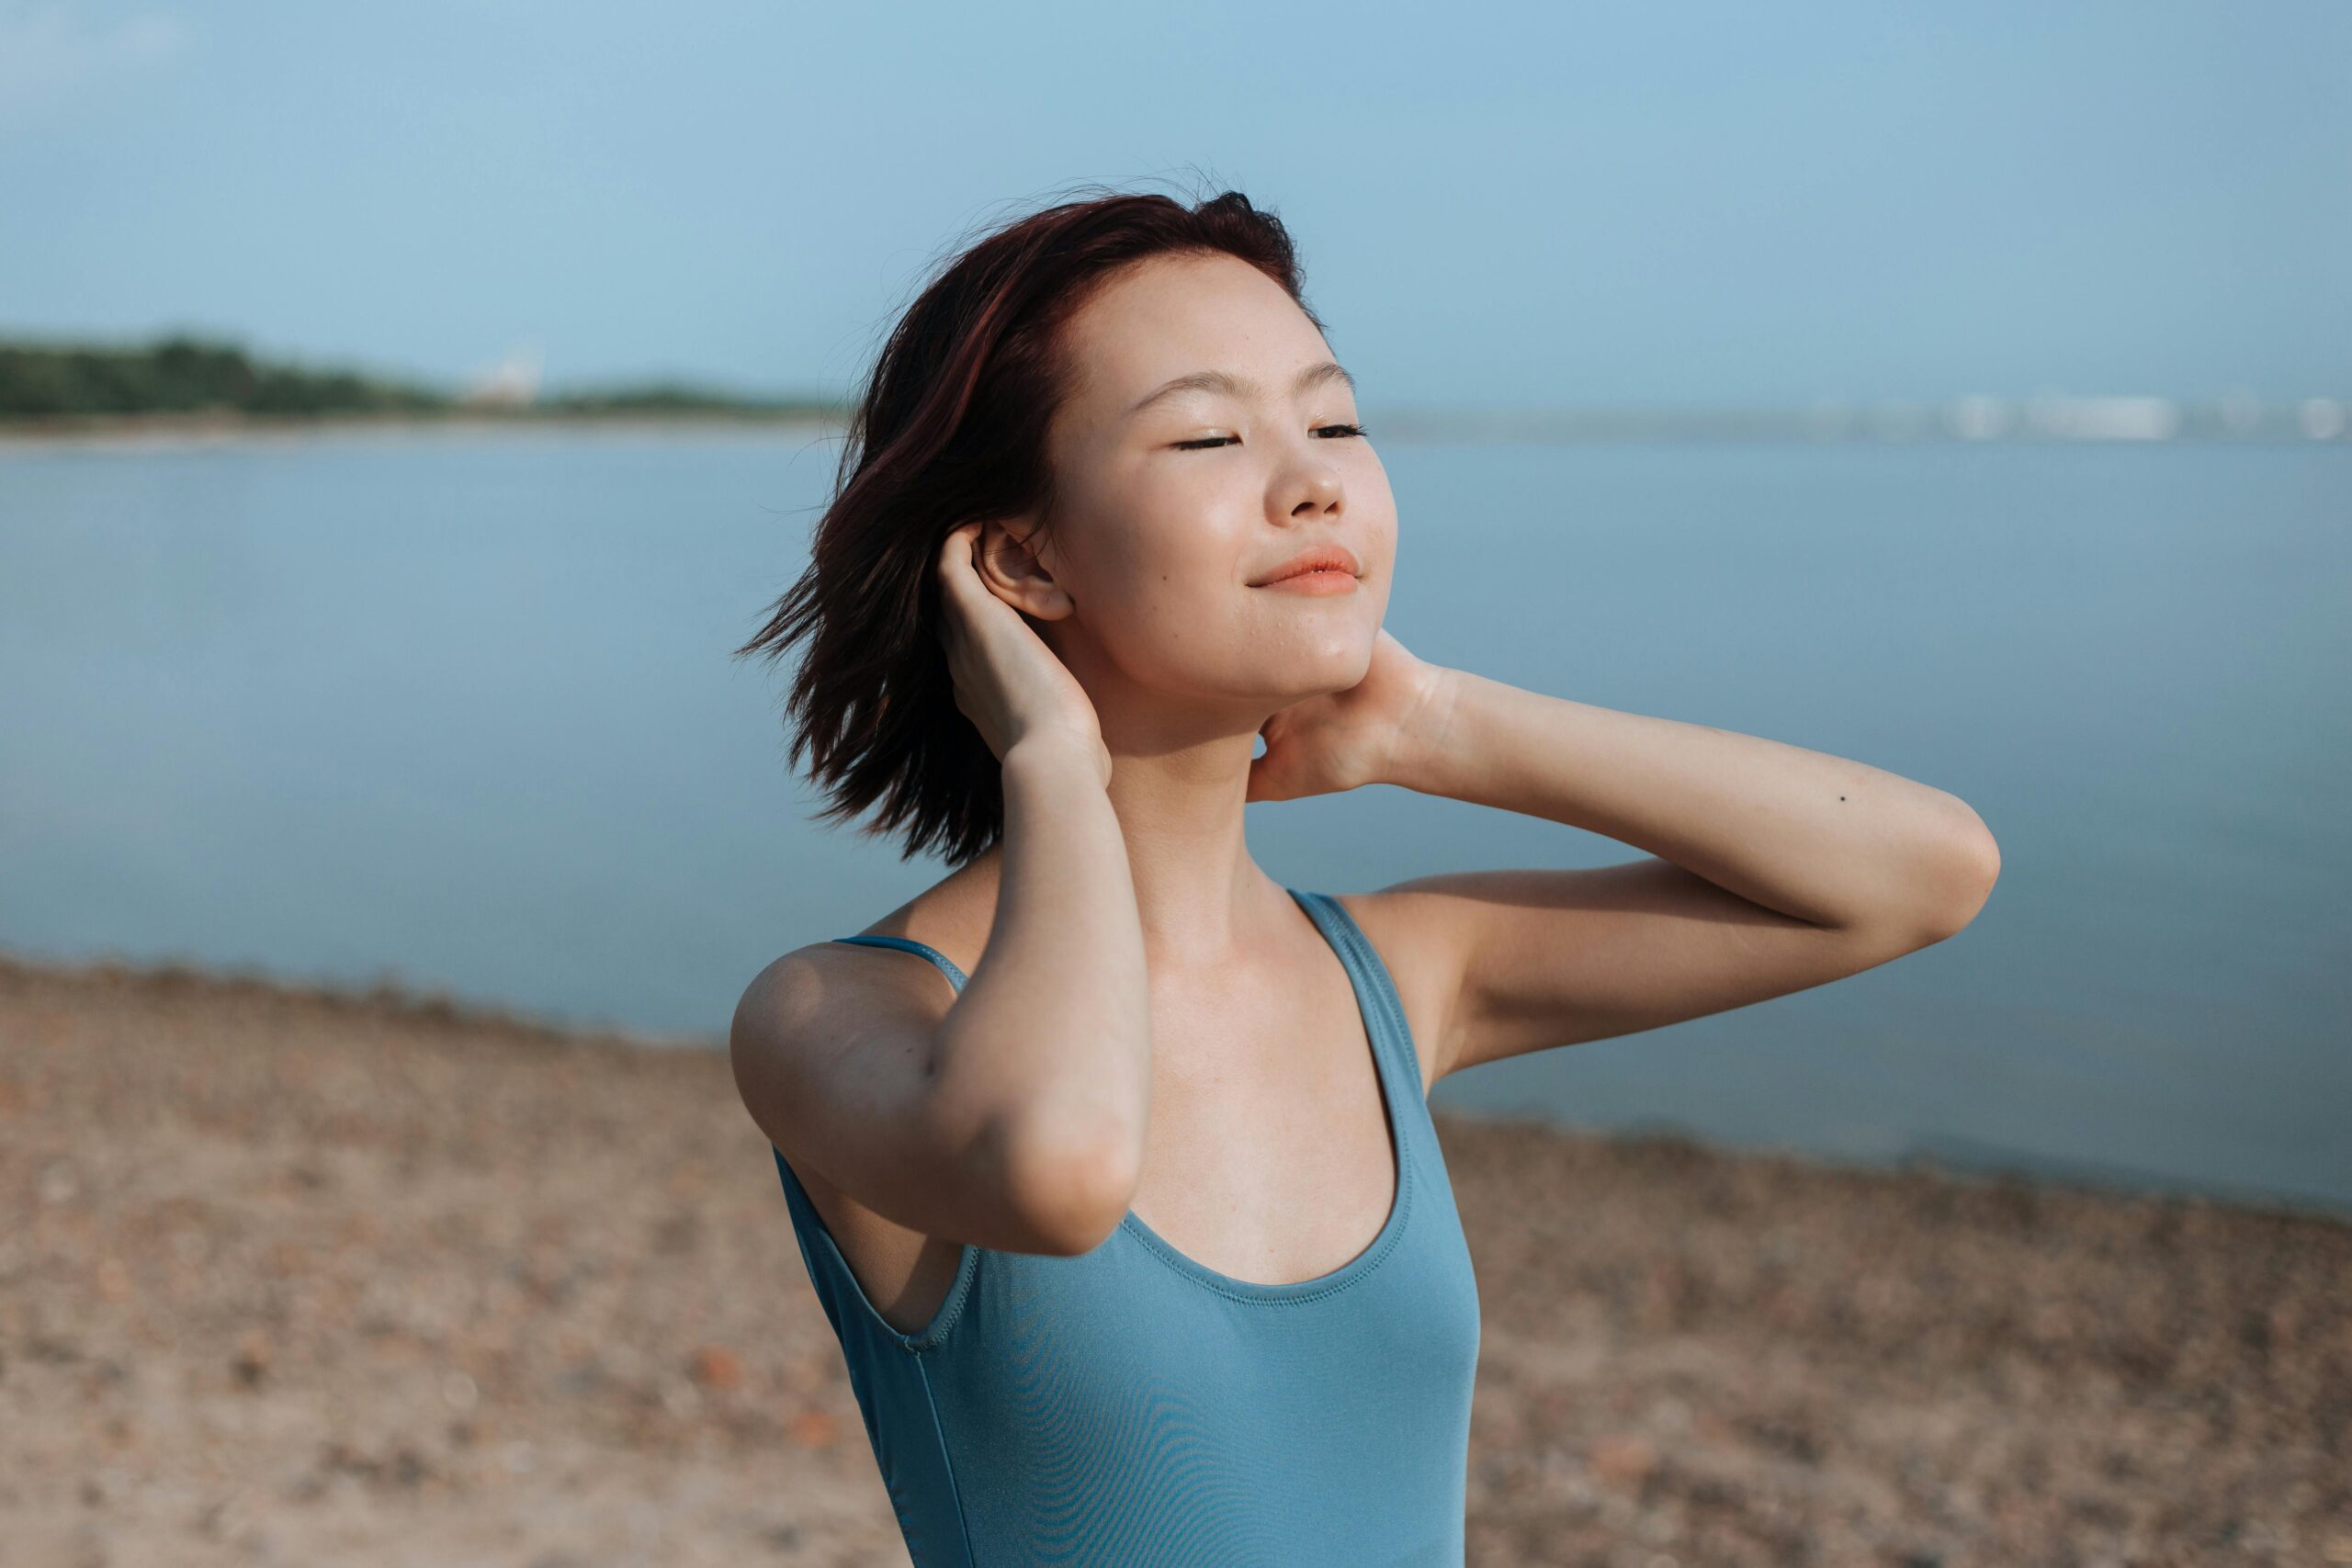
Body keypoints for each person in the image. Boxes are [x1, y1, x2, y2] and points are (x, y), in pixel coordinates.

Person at [728, 183, 2000, 1566]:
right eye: (1212, 432)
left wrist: (1439, 724)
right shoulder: (834, 1016)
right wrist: (1046, 757)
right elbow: (1063, 1163)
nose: (1314, 477)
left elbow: (1921, 872)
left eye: (1333, 420)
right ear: (1024, 559)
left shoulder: (1398, 976)